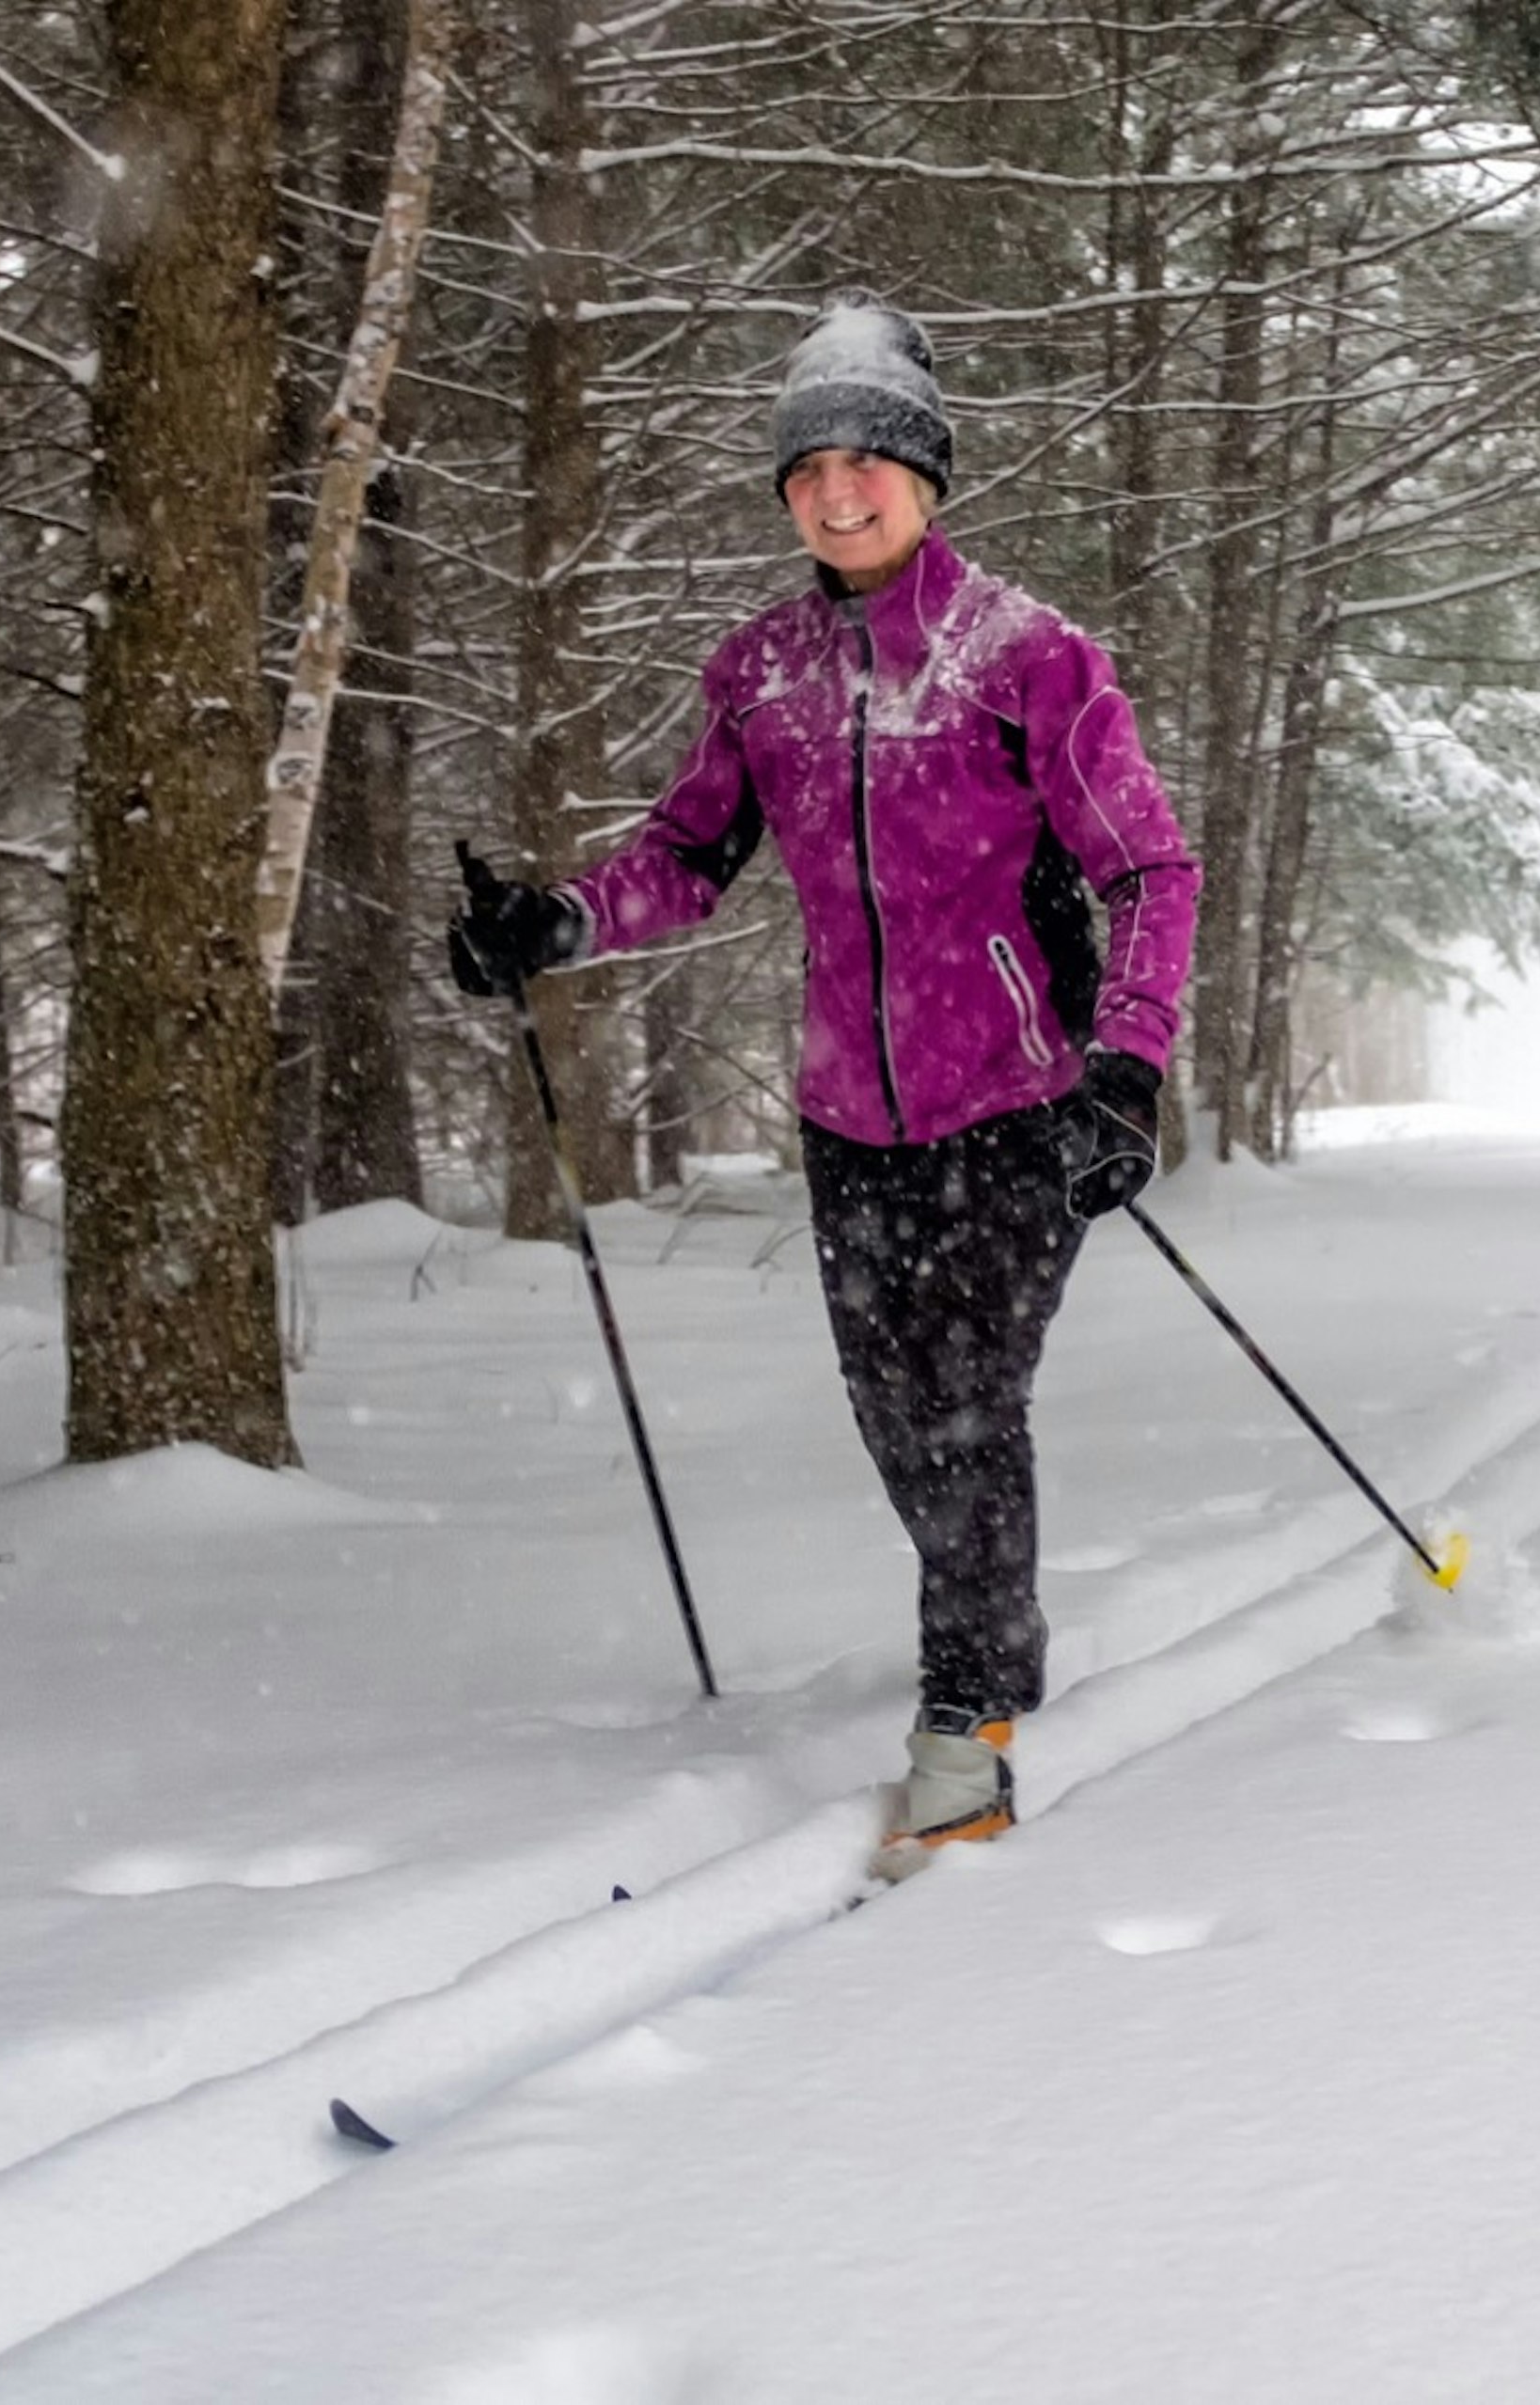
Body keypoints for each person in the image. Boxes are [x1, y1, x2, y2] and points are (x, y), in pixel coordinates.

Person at [449, 292, 1202, 1875]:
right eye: (809, 467)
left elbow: (1147, 865)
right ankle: (991, 1626)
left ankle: (969, 1718)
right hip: (849, 1117)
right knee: (894, 1410)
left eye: (871, 460)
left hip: (1019, 1102)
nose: (838, 490)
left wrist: (1125, 1064)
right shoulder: (762, 677)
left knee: (968, 1402)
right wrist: (556, 921)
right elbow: (686, 858)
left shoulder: (1030, 660)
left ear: (928, 478)